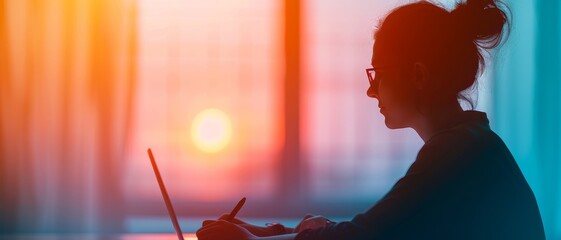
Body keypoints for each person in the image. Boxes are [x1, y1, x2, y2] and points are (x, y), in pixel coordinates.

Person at [196, 0, 546, 239]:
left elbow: (367, 236)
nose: (371, 91)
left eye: (378, 74)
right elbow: (384, 230)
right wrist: (268, 233)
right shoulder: (471, 144)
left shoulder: (457, 153)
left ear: (418, 75)